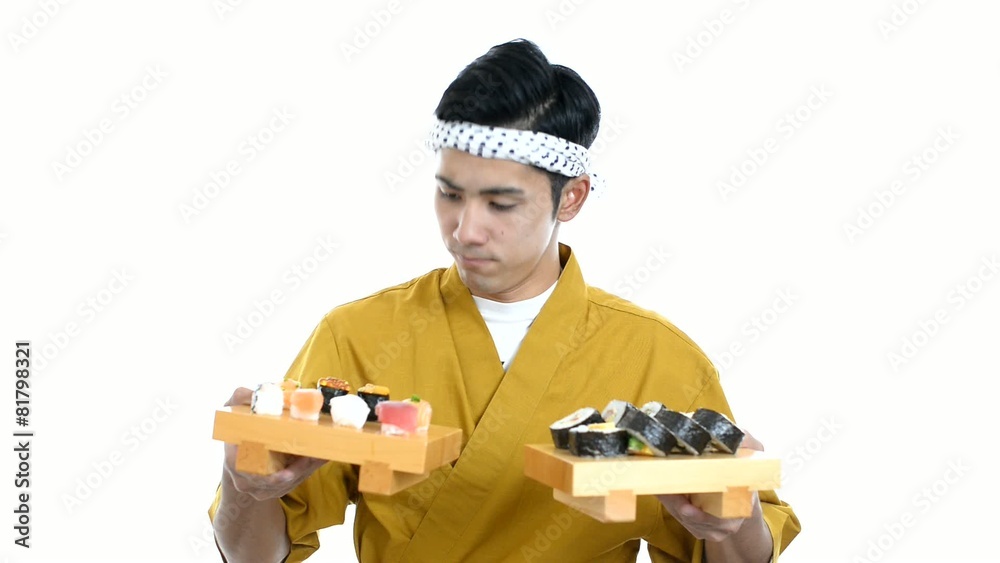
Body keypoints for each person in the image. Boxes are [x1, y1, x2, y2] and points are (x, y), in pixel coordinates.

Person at [208, 38, 800, 562]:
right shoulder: (358, 334)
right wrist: (244, 485)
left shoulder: (657, 355)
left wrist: (735, 519)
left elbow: (745, 555)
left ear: (572, 198)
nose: (465, 231)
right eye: (449, 195)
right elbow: (254, 556)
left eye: (500, 203)